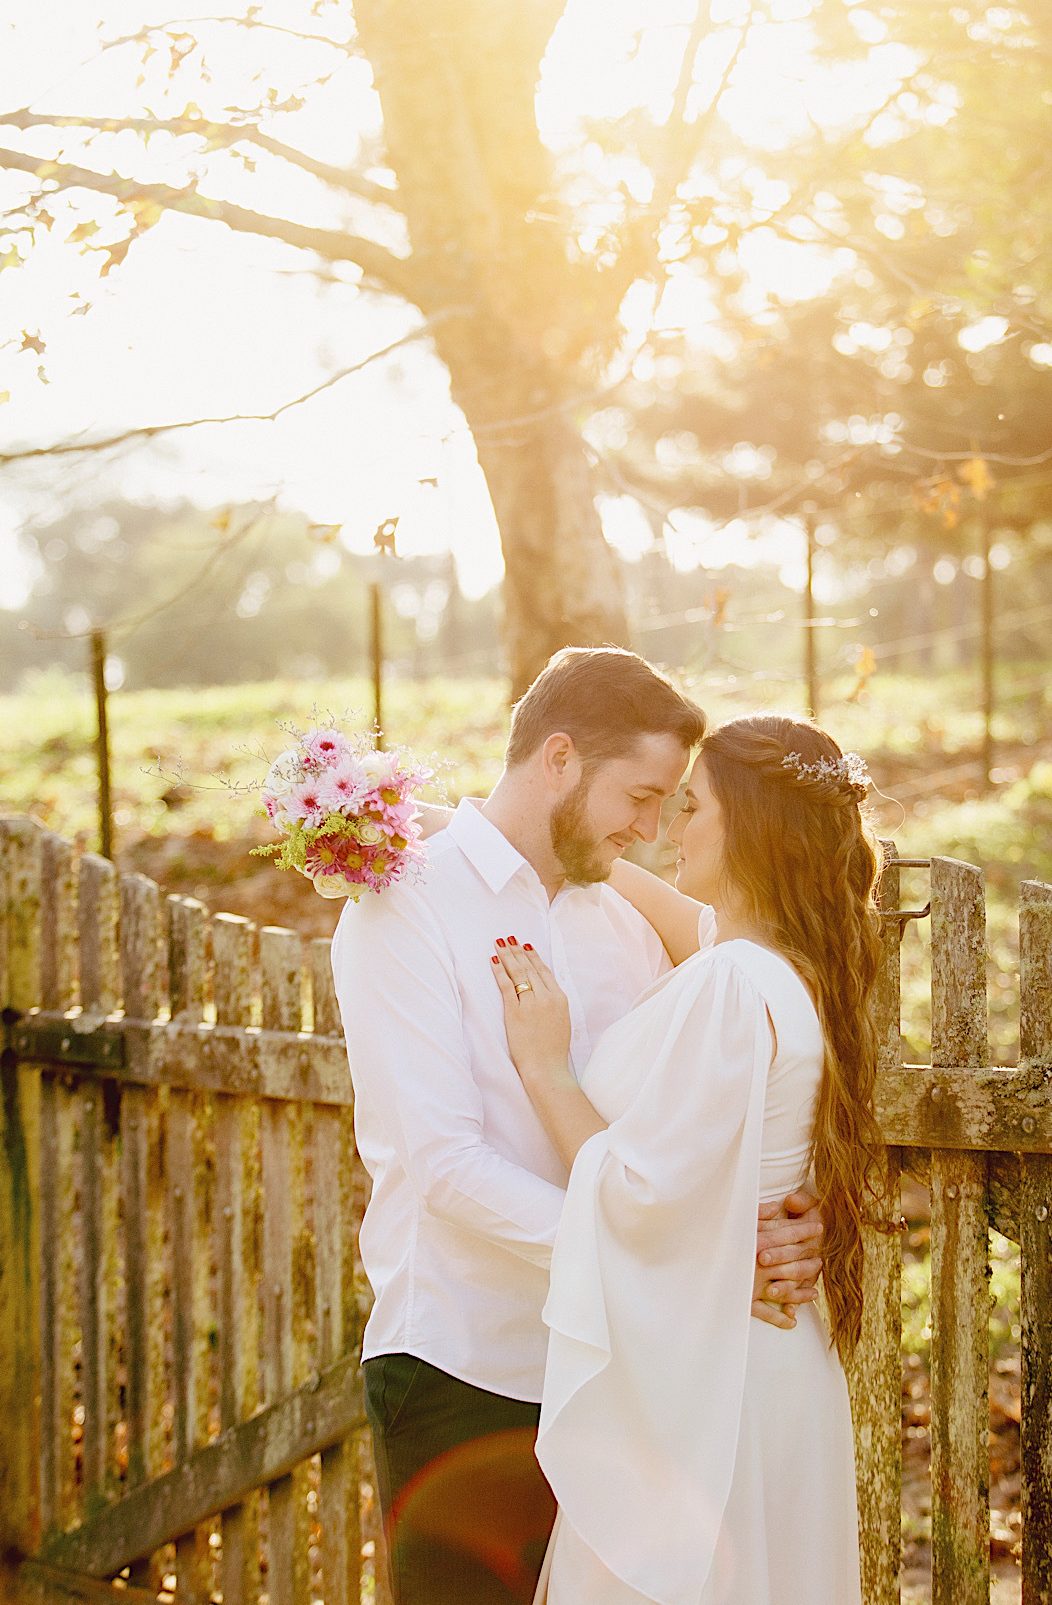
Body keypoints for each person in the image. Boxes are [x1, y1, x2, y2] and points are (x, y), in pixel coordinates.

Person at [330, 649, 825, 1605]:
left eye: (672, 803)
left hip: (620, 1375)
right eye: (640, 796)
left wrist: (797, 1211)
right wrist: (688, 1265)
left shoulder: (626, 920)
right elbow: (444, 1165)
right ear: (558, 758)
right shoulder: (404, 904)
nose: (652, 829)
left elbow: (745, 1067)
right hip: (469, 1368)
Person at [491, 714, 884, 1605]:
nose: (669, 827)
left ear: (747, 826)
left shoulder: (733, 985)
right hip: (777, 1365)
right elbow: (664, 899)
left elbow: (639, 1196)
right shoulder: (787, 966)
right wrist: (464, 821)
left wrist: (547, 1067)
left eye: (692, 807)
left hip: (714, 1378)